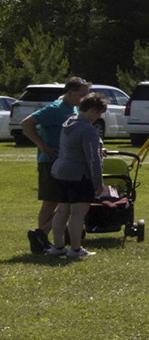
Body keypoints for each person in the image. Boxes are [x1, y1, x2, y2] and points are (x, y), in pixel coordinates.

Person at [19, 77, 88, 255]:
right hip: (50, 161)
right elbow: (26, 124)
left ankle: (42, 236)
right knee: (51, 202)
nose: (84, 98)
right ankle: (41, 238)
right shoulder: (55, 108)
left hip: (64, 162)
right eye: (81, 95)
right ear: (70, 92)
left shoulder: (72, 107)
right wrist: (42, 145)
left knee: (64, 203)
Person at [47, 93, 110, 260]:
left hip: (61, 171)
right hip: (78, 174)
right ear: (92, 109)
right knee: (77, 213)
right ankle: (75, 249)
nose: (99, 117)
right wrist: (98, 182)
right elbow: (93, 158)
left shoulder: (68, 123)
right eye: (98, 113)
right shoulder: (87, 128)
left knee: (62, 211)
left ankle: (58, 246)